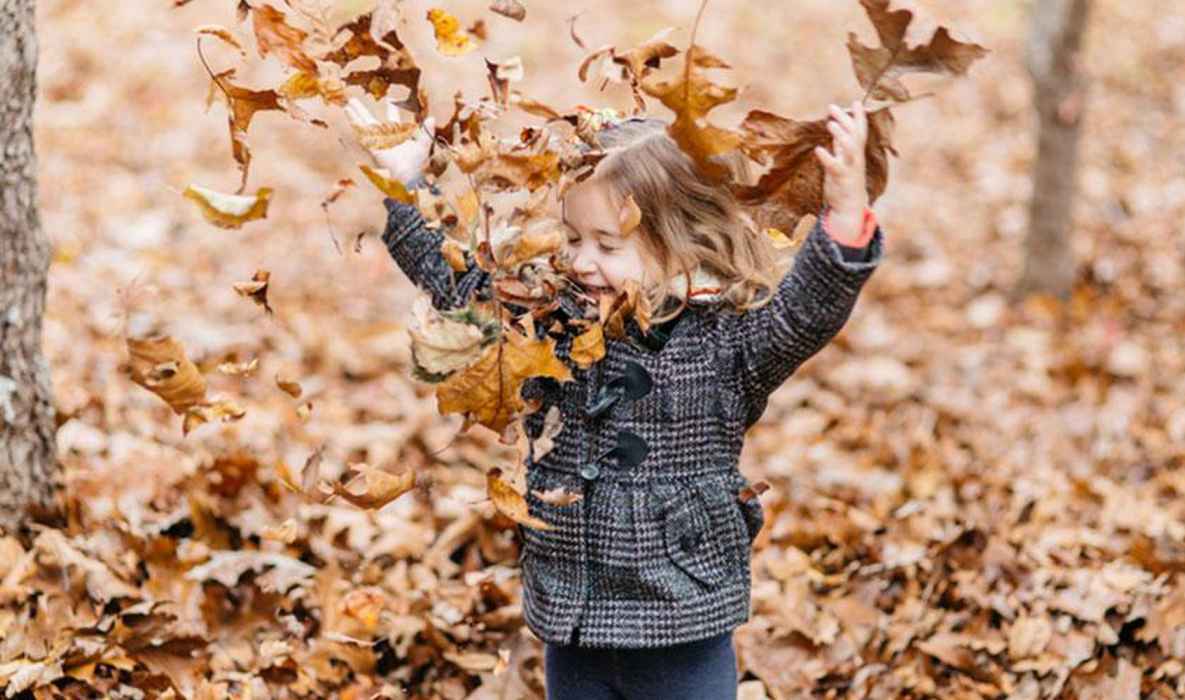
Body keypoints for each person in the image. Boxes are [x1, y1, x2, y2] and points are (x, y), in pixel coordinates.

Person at [365, 99, 883, 700]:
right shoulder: (549, 322)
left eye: (608, 247)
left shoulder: (726, 343)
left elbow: (806, 311)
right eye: (571, 238)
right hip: (573, 613)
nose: (582, 261)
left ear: (682, 243)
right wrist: (405, 183)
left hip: (680, 618)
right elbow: (454, 281)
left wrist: (845, 211)